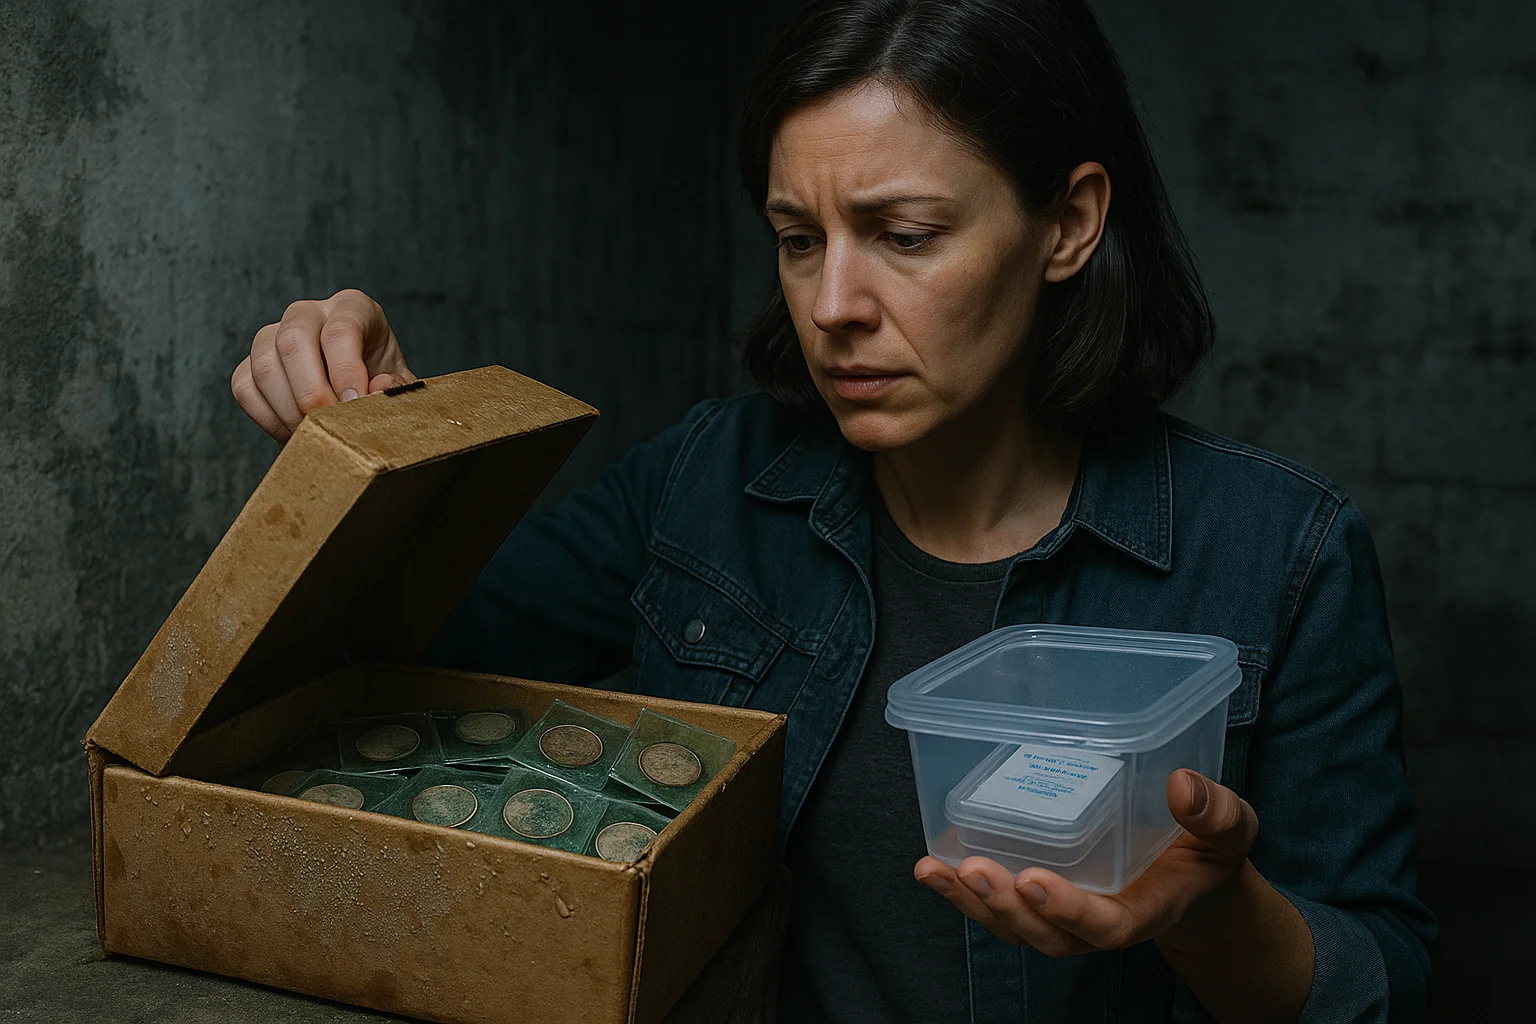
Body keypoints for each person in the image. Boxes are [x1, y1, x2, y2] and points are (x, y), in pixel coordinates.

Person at [230, 1, 1434, 1020]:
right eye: (798, 241)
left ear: (1068, 223)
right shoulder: (709, 482)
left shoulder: (1281, 554)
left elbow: (1386, 977)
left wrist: (1218, 911)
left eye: (904, 236)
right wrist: (379, 444)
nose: (833, 304)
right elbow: (388, 689)